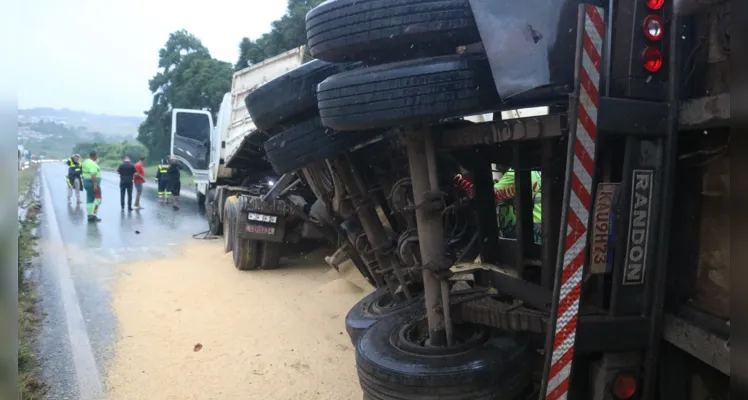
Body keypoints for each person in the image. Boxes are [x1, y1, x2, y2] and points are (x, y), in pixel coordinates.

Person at [493, 168, 543, 243]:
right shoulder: (535, 173)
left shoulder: (514, 173)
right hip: (540, 227)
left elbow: (490, 194)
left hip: (528, 230)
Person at [81, 151, 102, 222]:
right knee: (98, 200)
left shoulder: (85, 162)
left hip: (86, 182)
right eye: (96, 156)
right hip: (92, 183)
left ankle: (89, 215)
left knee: (90, 198)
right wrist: (95, 184)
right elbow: (93, 174)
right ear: (94, 156)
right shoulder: (92, 164)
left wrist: (95, 163)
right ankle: (94, 215)